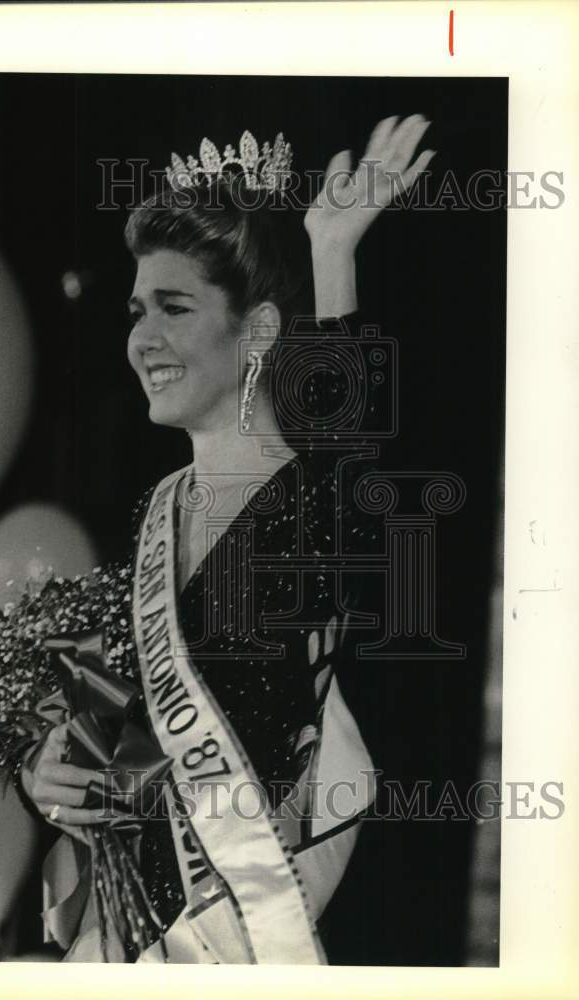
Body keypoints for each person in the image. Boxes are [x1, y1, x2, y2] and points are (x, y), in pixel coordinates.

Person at [21, 114, 435, 963]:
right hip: (124, 930)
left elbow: (344, 440)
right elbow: (128, 745)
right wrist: (51, 774)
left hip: (234, 938)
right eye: (138, 310)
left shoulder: (316, 501)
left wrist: (331, 249)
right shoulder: (157, 511)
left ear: (260, 333)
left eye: (174, 307)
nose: (141, 336)